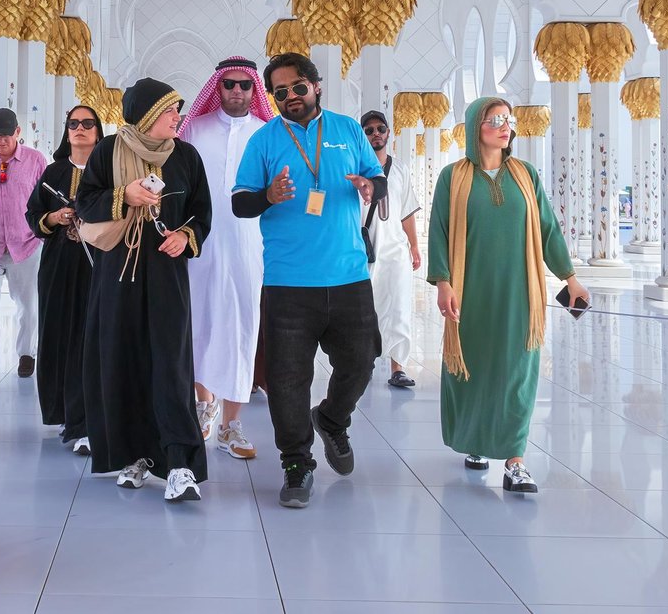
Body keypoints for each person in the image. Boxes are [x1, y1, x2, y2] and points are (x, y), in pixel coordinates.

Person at [232, 53, 385, 509]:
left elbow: (378, 179)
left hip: (348, 274)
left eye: (298, 87)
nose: (291, 98)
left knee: (361, 362)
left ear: (316, 86)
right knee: (286, 380)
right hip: (287, 282)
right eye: (280, 92)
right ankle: (296, 463)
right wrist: (268, 195)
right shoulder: (264, 141)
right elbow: (241, 202)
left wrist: (370, 187)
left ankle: (333, 420)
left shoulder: (347, 130)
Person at [426, 97, 589, 493]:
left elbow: (547, 228)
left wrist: (570, 276)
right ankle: (477, 441)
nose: (505, 126)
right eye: (494, 119)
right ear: (474, 127)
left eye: (508, 119)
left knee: (519, 371)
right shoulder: (454, 176)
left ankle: (515, 459)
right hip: (470, 290)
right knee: (470, 369)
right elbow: (440, 232)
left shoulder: (525, 175)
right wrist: (443, 281)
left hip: (520, 291)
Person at [78, 77, 212, 503]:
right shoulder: (107, 151)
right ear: (148, 115)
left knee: (170, 364)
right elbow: (86, 203)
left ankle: (180, 465)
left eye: (178, 109)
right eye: (170, 110)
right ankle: (135, 457)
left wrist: (185, 237)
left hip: (167, 274)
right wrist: (125, 196)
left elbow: (201, 212)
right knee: (124, 360)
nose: (178, 116)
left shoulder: (186, 157)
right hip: (118, 273)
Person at [179, 56, 272, 459]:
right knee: (199, 321)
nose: (237, 91)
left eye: (244, 85)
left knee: (241, 326)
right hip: (199, 245)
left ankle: (232, 425)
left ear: (255, 89)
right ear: (217, 87)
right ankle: (204, 404)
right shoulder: (193, 130)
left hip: (249, 247)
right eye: (229, 85)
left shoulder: (267, 134)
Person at [25, 104, 103, 454]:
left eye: (88, 123)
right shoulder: (52, 173)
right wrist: (54, 218)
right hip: (58, 264)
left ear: (99, 131)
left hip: (97, 263)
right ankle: (62, 410)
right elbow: (33, 214)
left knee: (89, 336)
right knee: (58, 332)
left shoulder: (109, 173)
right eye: (74, 123)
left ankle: (86, 419)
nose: (80, 129)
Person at [0, 107, 46, 389]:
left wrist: (43, 233)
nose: (0, 143)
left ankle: (27, 354)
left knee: (28, 304)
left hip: (26, 243)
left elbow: (46, 198)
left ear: (18, 132)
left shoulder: (35, 160)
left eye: (6, 136)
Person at [360, 110, 422, 388]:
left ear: (388, 133)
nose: (375, 134)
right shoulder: (356, 169)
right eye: (369, 130)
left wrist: (415, 246)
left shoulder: (400, 170)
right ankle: (365, 362)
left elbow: (407, 212)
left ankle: (398, 367)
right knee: (365, 309)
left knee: (398, 307)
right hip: (364, 251)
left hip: (395, 251)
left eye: (380, 129)